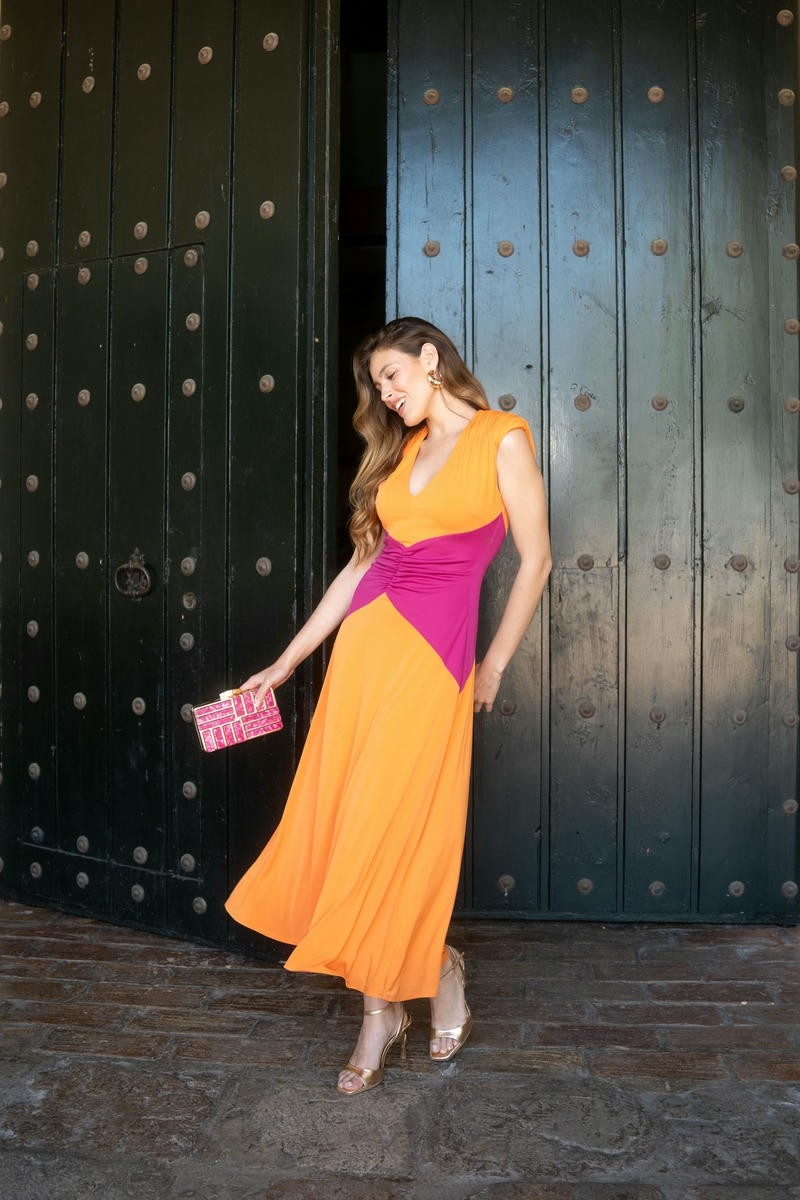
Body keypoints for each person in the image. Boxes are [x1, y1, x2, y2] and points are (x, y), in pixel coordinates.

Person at [225, 316, 552, 1095]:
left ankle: (433, 971)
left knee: (397, 826)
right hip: (365, 654)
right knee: (352, 822)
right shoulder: (401, 453)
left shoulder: (502, 438)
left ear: (429, 359)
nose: (386, 394)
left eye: (392, 377)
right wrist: (285, 663)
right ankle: (383, 1010)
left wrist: (494, 665)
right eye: (377, 386)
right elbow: (360, 568)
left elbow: (537, 559)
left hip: (433, 664)